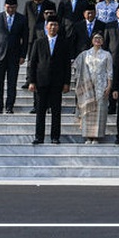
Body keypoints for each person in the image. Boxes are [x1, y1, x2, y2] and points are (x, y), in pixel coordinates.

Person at [27, 15, 71, 145]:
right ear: (46, 27)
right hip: (41, 81)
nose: (53, 27)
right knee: (40, 110)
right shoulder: (39, 42)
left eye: (55, 25)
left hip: (57, 82)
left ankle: (55, 137)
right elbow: (32, 63)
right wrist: (31, 81)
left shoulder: (64, 42)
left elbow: (66, 64)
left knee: (56, 111)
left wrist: (66, 83)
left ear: (58, 27)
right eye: (51, 25)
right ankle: (39, 137)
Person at [0, 0, 28, 114]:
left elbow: (25, 39)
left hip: (14, 55)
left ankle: (10, 106)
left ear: (16, 7)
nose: (10, 10)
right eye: (8, 7)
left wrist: (23, 55)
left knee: (12, 82)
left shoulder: (22, 19)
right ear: (5, 6)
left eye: (13, 7)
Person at [73, 31, 113, 143]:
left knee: (100, 111)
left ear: (103, 41)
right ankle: (88, 136)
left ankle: (96, 137)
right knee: (88, 111)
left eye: (100, 38)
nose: (97, 40)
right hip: (87, 87)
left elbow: (110, 72)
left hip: (101, 86)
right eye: (95, 38)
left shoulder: (107, 54)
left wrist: (109, 86)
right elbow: (76, 65)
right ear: (92, 40)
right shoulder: (85, 54)